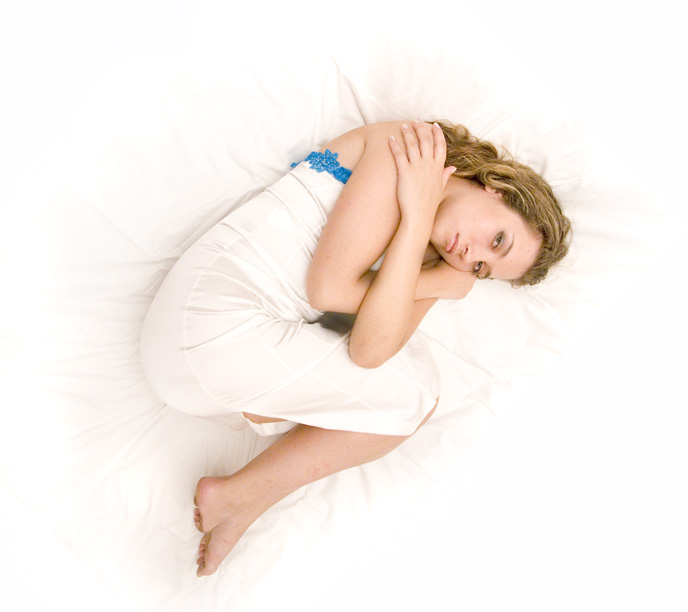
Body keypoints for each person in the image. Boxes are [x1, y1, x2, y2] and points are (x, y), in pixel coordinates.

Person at [139, 120, 570, 576]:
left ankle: (243, 497)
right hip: (205, 327)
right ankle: (243, 497)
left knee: (411, 391)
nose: (471, 257)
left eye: (482, 268)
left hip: (205, 374)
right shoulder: (407, 147)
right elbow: (327, 289)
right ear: (497, 187)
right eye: (498, 240)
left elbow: (370, 351)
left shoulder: (433, 251)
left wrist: (424, 250)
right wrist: (428, 254)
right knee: (412, 394)